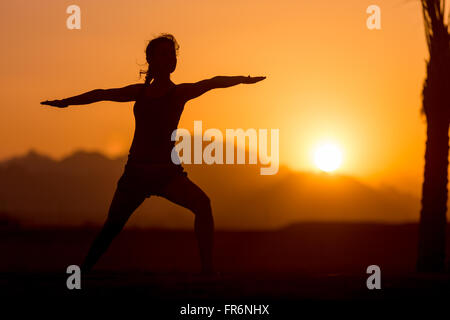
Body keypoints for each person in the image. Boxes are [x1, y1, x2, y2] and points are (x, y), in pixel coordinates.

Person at [41, 33, 266, 276]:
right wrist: (66, 102)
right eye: (164, 54)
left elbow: (213, 82)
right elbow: (102, 93)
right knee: (112, 228)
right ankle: (81, 274)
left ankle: (207, 274)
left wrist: (243, 79)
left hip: (167, 174)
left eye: (173, 54)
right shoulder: (140, 92)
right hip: (136, 174)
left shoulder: (180, 92)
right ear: (151, 60)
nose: (170, 58)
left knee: (203, 205)